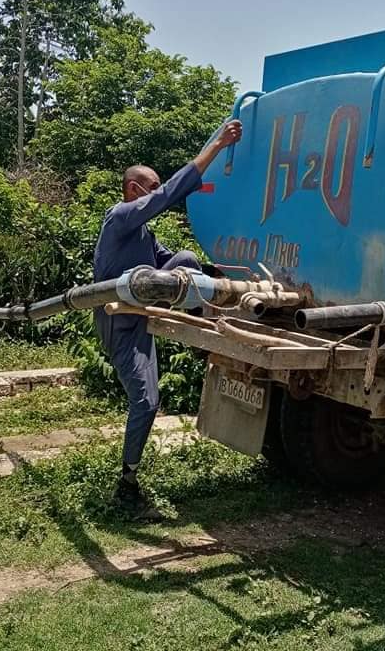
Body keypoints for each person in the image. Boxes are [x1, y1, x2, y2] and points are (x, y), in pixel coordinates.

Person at [92, 120, 243, 519]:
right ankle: (127, 486)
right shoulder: (121, 218)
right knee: (146, 401)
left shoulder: (144, 237)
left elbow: (169, 263)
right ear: (133, 190)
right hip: (120, 325)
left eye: (157, 185)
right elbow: (170, 194)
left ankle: (201, 339)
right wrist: (215, 146)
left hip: (143, 318)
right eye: (150, 186)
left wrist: (219, 275)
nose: (156, 192)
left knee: (188, 262)